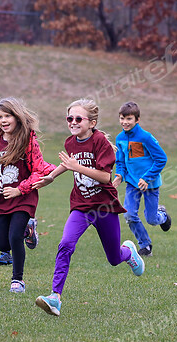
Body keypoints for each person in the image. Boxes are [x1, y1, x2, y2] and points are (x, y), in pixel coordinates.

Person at [33, 99, 144, 317]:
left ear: (91, 123)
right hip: (81, 206)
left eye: (78, 118)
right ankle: (55, 297)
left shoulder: (100, 141)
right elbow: (68, 163)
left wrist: (77, 167)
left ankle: (128, 252)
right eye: (69, 118)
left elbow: (105, 176)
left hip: (104, 208)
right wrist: (51, 177)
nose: (72, 122)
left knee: (114, 258)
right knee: (65, 244)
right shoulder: (70, 142)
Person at [0, 97, 56, 293]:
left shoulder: (27, 140)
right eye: (0, 117)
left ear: (17, 117)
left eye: (7, 116)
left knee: (15, 237)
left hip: (24, 198)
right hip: (1, 200)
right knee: (2, 243)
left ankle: (17, 280)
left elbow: (37, 171)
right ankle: (28, 230)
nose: (3, 120)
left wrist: (19, 190)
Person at [113, 101, 171, 258]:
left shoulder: (145, 137)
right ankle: (145, 245)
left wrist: (147, 178)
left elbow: (161, 159)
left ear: (137, 120)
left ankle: (162, 215)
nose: (125, 122)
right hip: (132, 184)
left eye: (129, 119)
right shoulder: (120, 138)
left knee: (152, 219)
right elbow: (120, 161)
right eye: (122, 118)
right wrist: (119, 175)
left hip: (150, 184)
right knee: (129, 215)